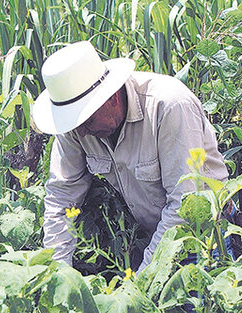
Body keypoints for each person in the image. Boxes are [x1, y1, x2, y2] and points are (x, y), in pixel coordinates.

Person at [31, 41, 229, 273]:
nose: (82, 133)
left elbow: (184, 204)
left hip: (204, 234)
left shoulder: (169, 106)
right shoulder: (77, 127)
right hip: (153, 234)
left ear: (113, 97)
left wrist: (143, 281)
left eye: (86, 121)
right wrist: (59, 274)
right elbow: (62, 196)